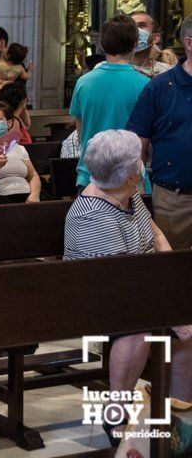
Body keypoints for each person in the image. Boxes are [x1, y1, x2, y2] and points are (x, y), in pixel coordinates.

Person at [63, 129, 191, 445]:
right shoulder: (94, 215)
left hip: (140, 285)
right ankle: (116, 411)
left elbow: (156, 234)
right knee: (139, 327)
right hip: (99, 296)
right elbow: (124, 283)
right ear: (129, 176)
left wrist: (174, 278)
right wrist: (173, 311)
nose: (143, 165)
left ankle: (181, 409)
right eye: (138, 163)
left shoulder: (127, 194)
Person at [127, 14, 192, 250]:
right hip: (174, 200)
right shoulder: (160, 87)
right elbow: (137, 145)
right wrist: (135, 193)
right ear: (189, 43)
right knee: (172, 275)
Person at [70, 14, 148, 191]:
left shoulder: (83, 82)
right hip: (130, 178)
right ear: (136, 43)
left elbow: (81, 131)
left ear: (102, 44)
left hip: (91, 174)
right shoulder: (145, 85)